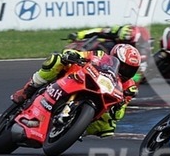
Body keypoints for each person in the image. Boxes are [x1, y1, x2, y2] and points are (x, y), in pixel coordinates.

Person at [11, 44, 141, 138]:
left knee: (108, 127)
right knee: (56, 59)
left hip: (100, 99)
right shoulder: (101, 56)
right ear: (114, 57)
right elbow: (79, 54)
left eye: (130, 70)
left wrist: (120, 104)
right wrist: (72, 55)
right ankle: (29, 89)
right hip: (77, 78)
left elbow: (118, 115)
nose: (125, 71)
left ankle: (74, 129)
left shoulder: (130, 87)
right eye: (123, 66)